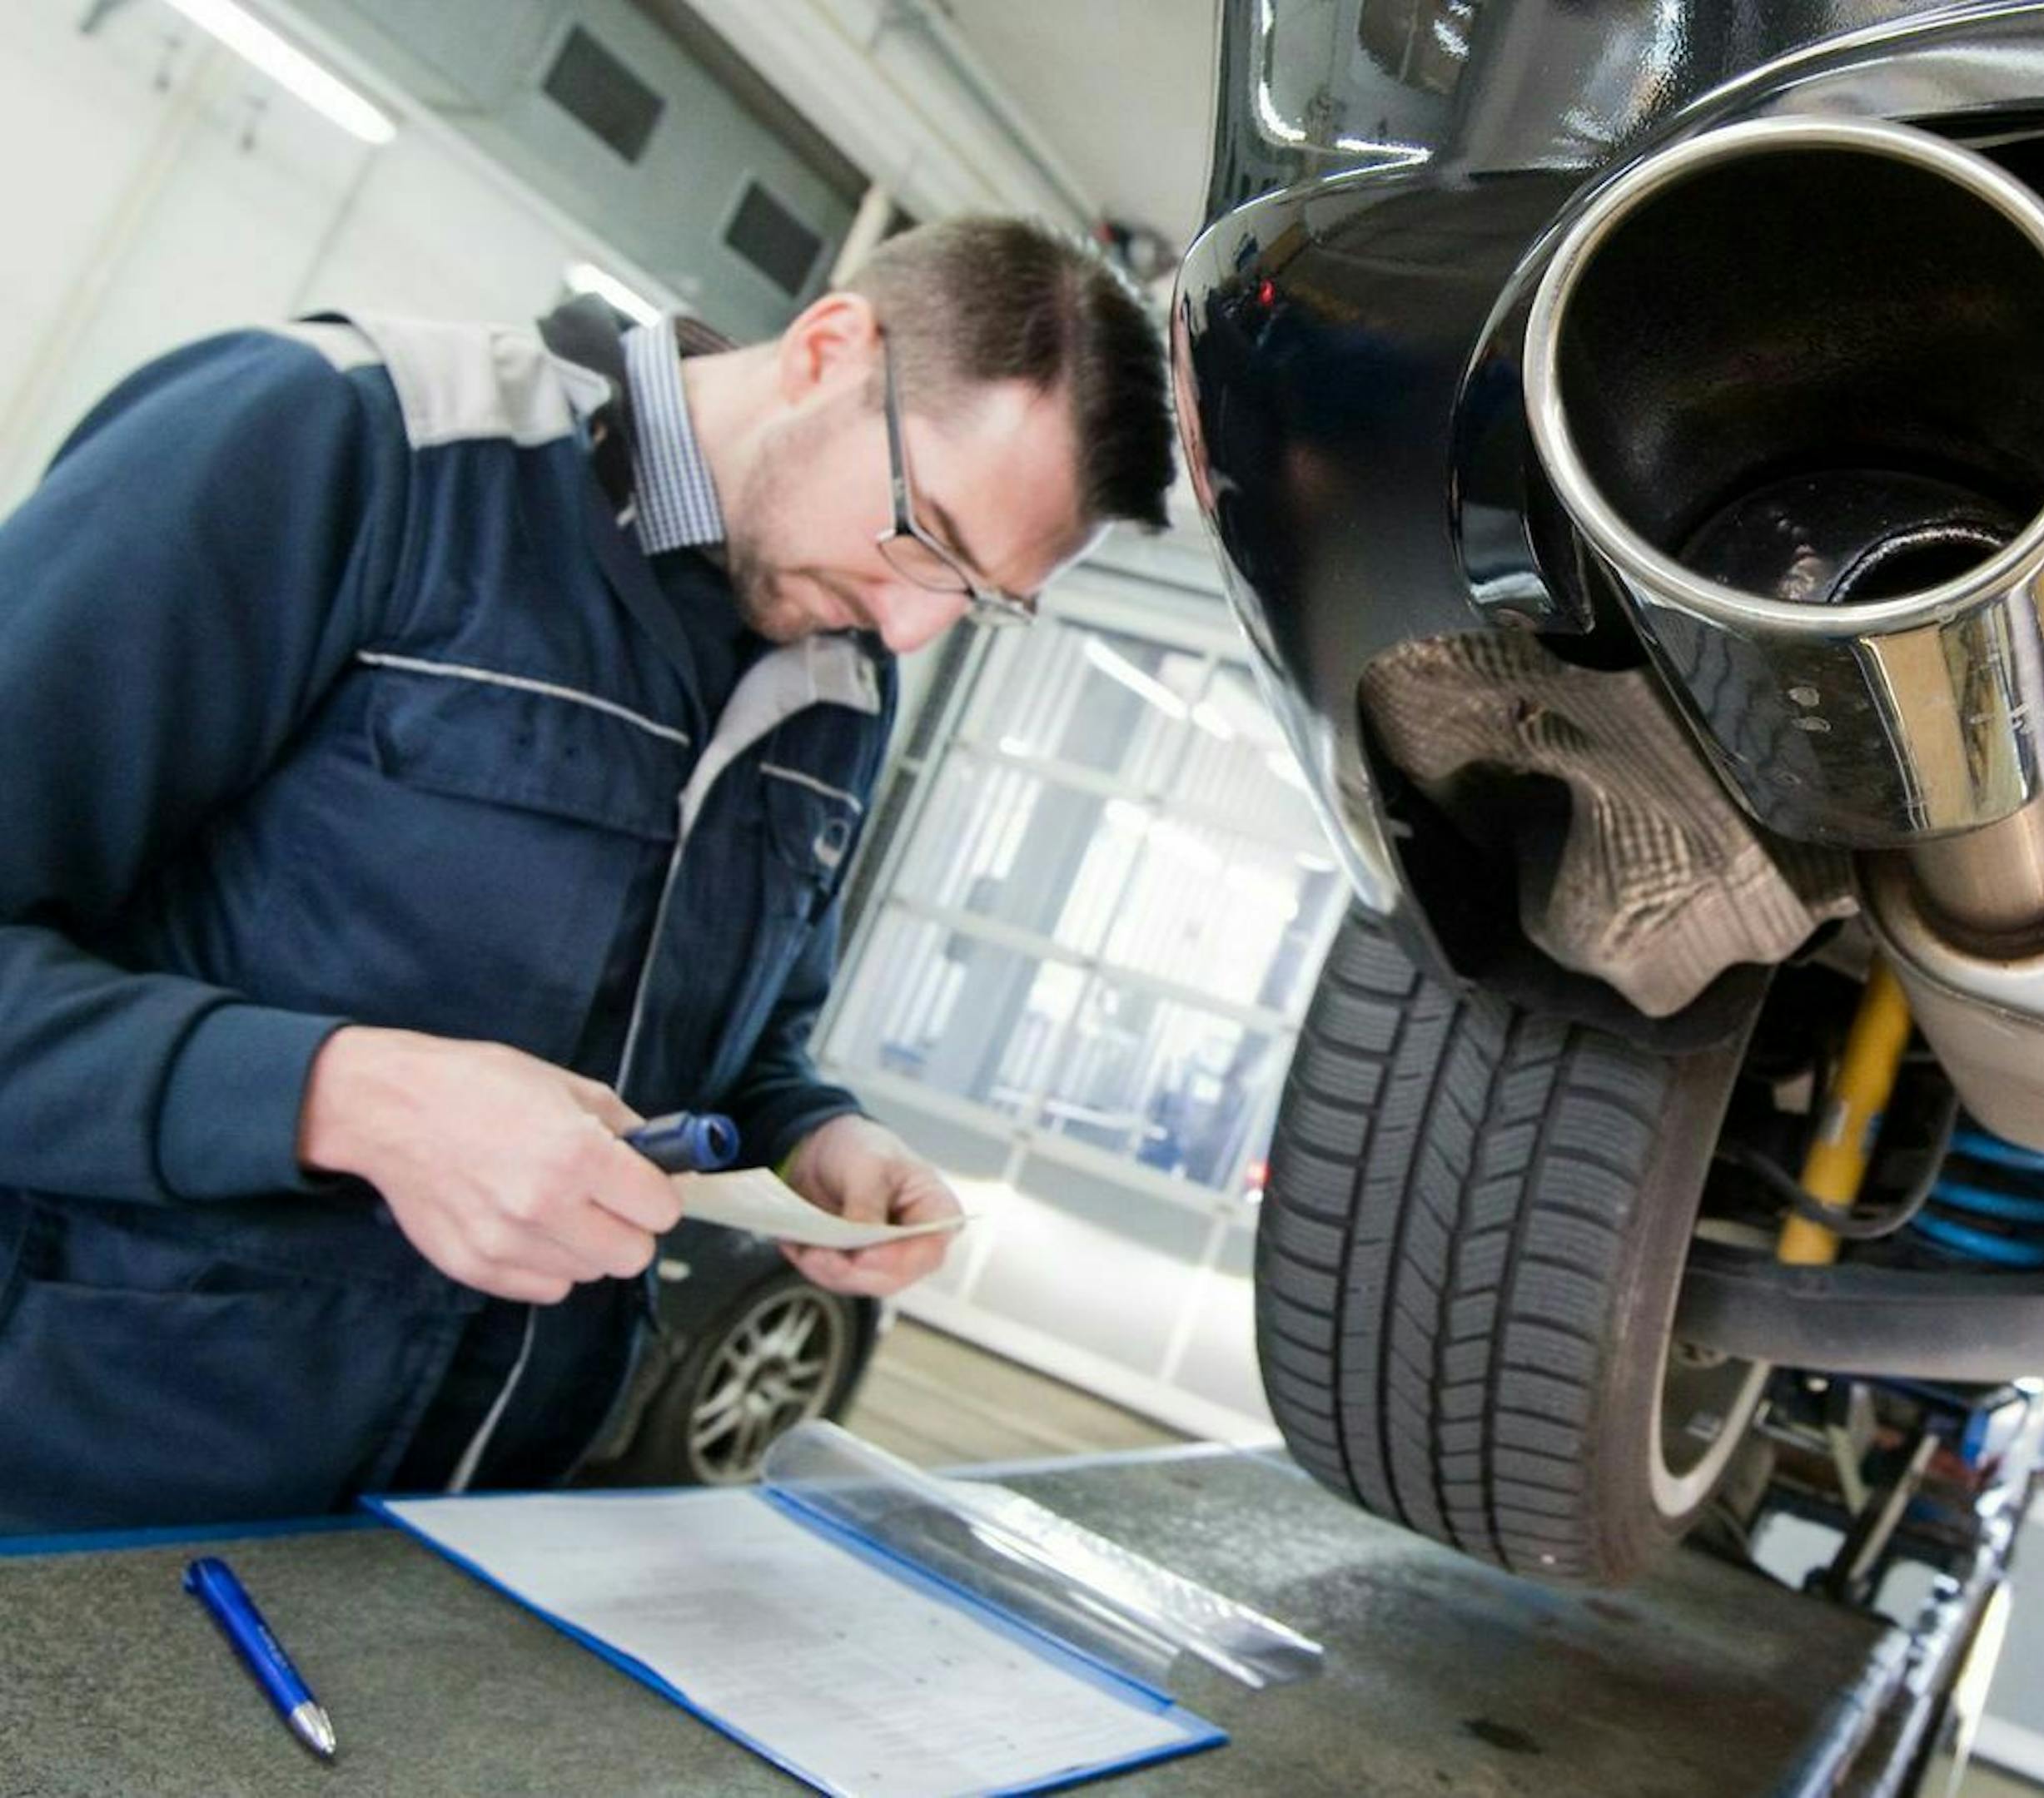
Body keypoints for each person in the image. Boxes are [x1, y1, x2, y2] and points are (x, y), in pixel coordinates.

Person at [0, 216, 1174, 1529]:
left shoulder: (841, 681)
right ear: (831, 350)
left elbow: (739, 1047)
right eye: (927, 537)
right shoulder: (354, 445)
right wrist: (346, 1101)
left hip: (482, 1527)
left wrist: (814, 1137)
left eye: (981, 600)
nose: (912, 626)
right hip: (82, 1488)